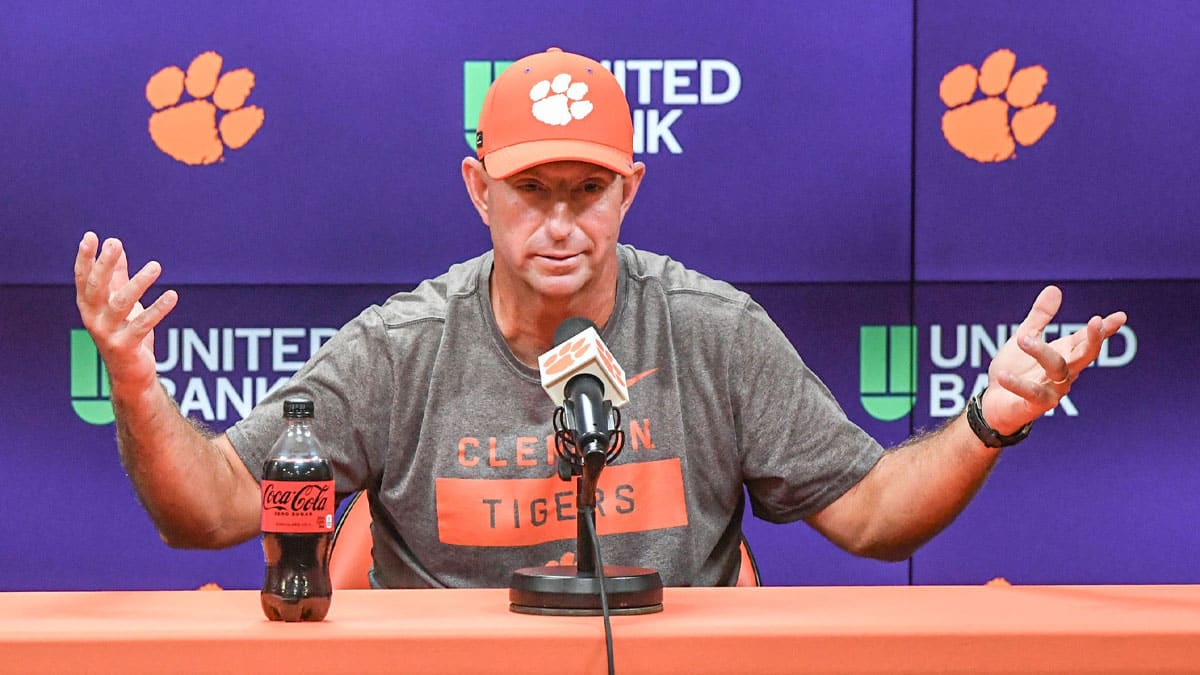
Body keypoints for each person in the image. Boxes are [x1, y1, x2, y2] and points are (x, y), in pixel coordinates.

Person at [74, 47, 1126, 588]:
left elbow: (871, 515)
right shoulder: (399, 349)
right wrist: (132, 381)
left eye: (590, 189)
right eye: (534, 191)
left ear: (632, 190)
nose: (563, 222)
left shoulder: (713, 331)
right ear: (479, 190)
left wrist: (989, 420)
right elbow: (207, 512)